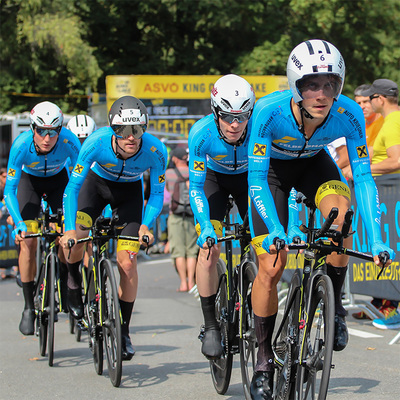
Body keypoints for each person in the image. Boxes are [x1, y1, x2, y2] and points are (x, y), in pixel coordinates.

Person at [247, 39, 395, 399]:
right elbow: (255, 178)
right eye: (311, 84)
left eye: (329, 84)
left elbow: (362, 177)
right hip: (273, 176)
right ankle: (265, 358)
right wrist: (278, 231)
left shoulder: (349, 113)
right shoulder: (268, 111)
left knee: (341, 216)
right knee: (271, 265)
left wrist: (374, 238)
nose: (321, 93)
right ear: (295, 86)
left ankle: (336, 311)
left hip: (315, 165)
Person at [59, 96, 168, 361]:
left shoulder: (155, 151)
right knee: (78, 238)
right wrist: (71, 228)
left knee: (128, 263)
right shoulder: (95, 142)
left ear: (145, 128)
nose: (131, 137)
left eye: (138, 129)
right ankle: (73, 278)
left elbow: (156, 194)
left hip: (129, 194)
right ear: (112, 129)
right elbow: (73, 187)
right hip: (94, 188)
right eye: (122, 130)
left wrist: (146, 225)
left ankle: (124, 331)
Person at [188, 74, 257, 359]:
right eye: (227, 117)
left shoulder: (260, 128)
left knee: (262, 244)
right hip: (213, 181)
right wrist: (205, 226)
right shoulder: (201, 133)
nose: (235, 124)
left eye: (242, 117)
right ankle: (211, 323)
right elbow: (195, 187)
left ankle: (253, 304)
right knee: (208, 248)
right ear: (215, 111)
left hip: (249, 180)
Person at [3, 101, 81, 335]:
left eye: (53, 131)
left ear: (60, 130)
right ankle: (28, 307)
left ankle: (66, 280)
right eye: (41, 131)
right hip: (30, 183)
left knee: (65, 237)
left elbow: (79, 182)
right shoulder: (20, 145)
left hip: (60, 183)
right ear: (32, 128)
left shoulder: (69, 141)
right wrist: (18, 223)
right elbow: (9, 191)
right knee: (27, 241)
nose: (47, 138)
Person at [362, 78, 400, 330]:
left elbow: (397, 160)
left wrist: (364, 170)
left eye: (370, 98)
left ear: (380, 99)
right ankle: (386, 304)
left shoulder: (394, 121)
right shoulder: (390, 121)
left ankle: (393, 308)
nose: (368, 103)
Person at [165, 147, 198, 292]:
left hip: (175, 215)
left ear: (175, 159)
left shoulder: (169, 174)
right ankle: (192, 282)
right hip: (191, 214)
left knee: (178, 251)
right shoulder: (193, 172)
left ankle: (183, 283)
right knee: (191, 251)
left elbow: (168, 191)